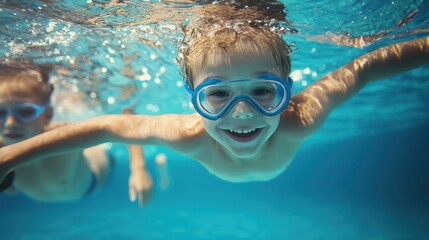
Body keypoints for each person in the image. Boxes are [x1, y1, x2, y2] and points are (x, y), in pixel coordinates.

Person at [0, 22, 428, 183]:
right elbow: (108, 126)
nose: (242, 113)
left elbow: (364, 68)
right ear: (194, 102)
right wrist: (10, 156)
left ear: (287, 91)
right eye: (218, 96)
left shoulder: (303, 117)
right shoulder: (188, 136)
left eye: (264, 92)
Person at [0, 62, 153, 205]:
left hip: (95, 177)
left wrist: (139, 168)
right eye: (0, 113)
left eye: (26, 111)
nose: (10, 123)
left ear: (47, 115)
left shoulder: (63, 133)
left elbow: (120, 125)